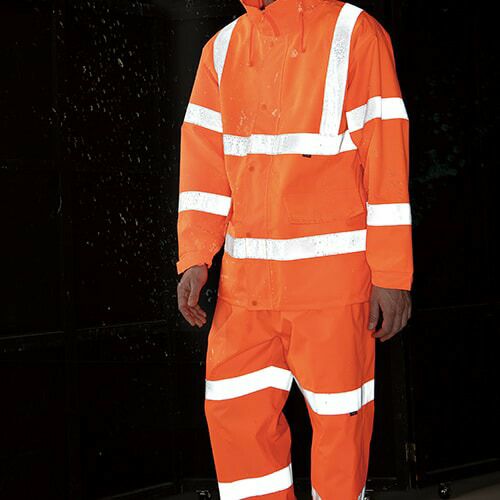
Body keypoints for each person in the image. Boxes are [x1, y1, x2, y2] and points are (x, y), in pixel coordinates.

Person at [176, 0, 413, 498]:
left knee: (341, 435)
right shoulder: (221, 49)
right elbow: (203, 166)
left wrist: (392, 275)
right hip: (244, 296)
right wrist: (195, 256)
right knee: (236, 424)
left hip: (332, 290)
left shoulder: (355, 33)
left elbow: (386, 159)